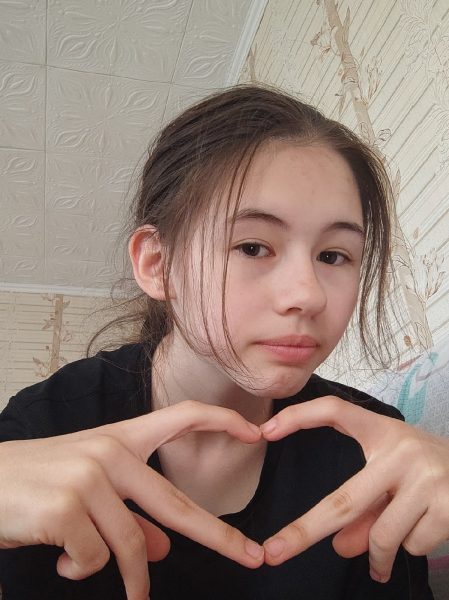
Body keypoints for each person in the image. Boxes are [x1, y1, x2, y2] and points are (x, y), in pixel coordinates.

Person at [0, 84, 447, 600]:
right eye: (253, 247)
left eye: (333, 256)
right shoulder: (43, 425)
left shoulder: (373, 446)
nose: (308, 295)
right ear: (157, 264)